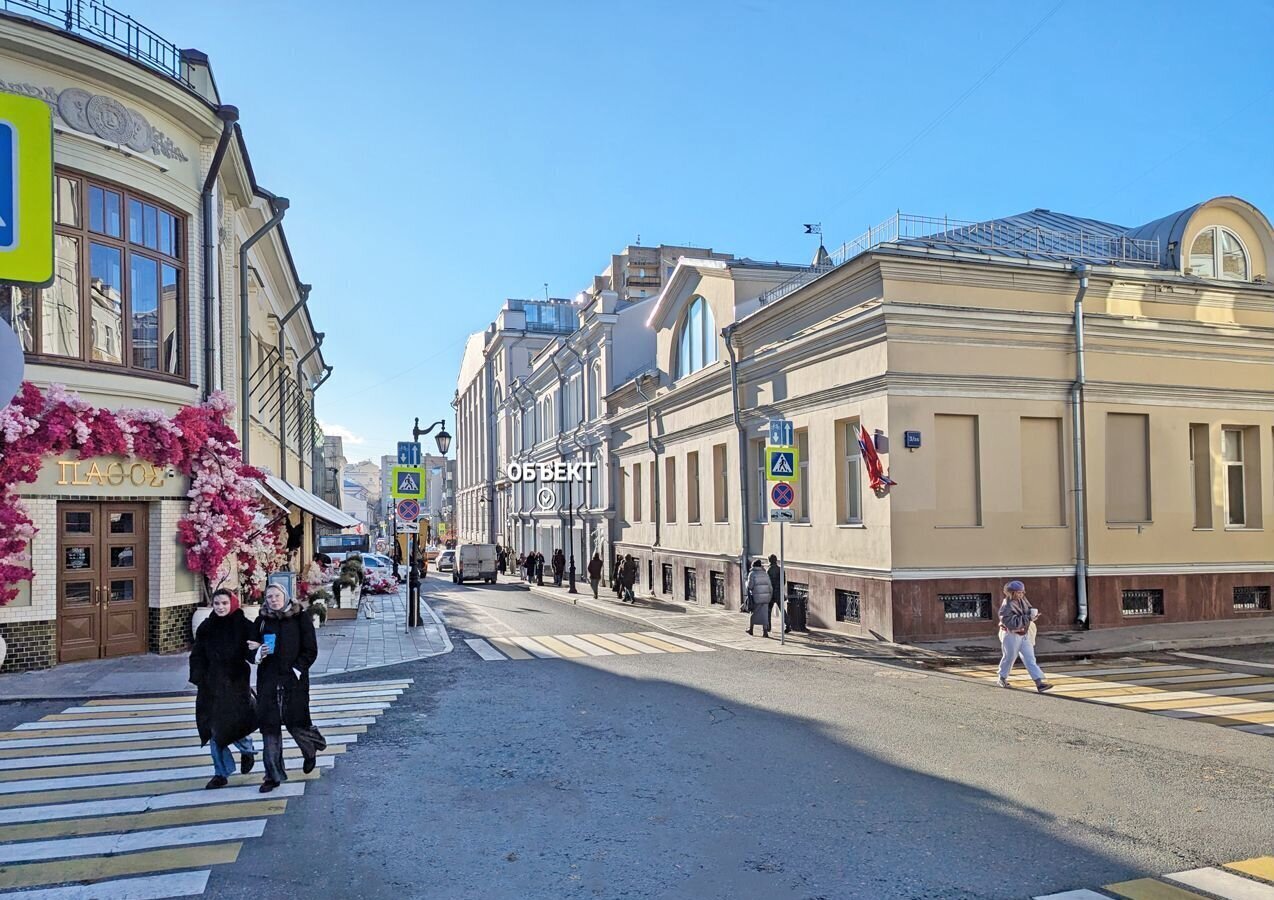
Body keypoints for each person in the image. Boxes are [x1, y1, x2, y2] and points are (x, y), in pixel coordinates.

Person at [249, 584, 327, 793]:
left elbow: (310, 650)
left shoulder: (300, 617)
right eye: (269, 597)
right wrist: (258, 654)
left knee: (297, 724)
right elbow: (249, 647)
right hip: (268, 680)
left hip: (294, 680)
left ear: (285, 596)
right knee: (270, 728)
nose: (273, 600)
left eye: (277, 596)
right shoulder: (262, 621)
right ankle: (272, 776)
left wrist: (297, 669)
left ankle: (310, 749)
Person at [189, 588, 257, 789]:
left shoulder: (243, 625)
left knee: (234, 725)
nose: (220, 607)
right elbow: (197, 654)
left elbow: (252, 651)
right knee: (213, 729)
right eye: (217, 603)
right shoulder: (206, 627)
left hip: (235, 684)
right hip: (210, 686)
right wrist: (198, 676)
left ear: (232, 604)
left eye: (224, 603)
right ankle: (221, 773)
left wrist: (258, 653)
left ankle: (248, 749)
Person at [997, 580, 1053, 692]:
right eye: (1018, 592)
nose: (1021, 594)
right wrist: (1028, 618)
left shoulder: (1022, 601)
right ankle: (1002, 678)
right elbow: (1011, 624)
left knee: (1030, 658)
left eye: (1022, 592)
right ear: (1011, 593)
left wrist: (1033, 615)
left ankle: (1039, 683)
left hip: (1024, 633)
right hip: (1011, 635)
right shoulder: (1006, 606)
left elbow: (1028, 611)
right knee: (1009, 658)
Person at [746, 559, 773, 637]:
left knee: (754, 613)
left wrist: (747, 583)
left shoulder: (752, 574)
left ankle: (751, 629)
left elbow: (750, 586)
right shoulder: (765, 573)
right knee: (764, 614)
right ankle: (765, 631)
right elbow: (770, 586)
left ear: (753, 565)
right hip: (766, 597)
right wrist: (769, 596)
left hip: (756, 597)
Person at [767, 554, 789, 634]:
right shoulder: (781, 569)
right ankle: (788, 625)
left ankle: (768, 627)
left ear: (769, 561)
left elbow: (768, 583)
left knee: (768, 610)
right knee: (782, 610)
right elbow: (783, 581)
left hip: (772, 593)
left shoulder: (769, 570)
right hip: (779, 592)